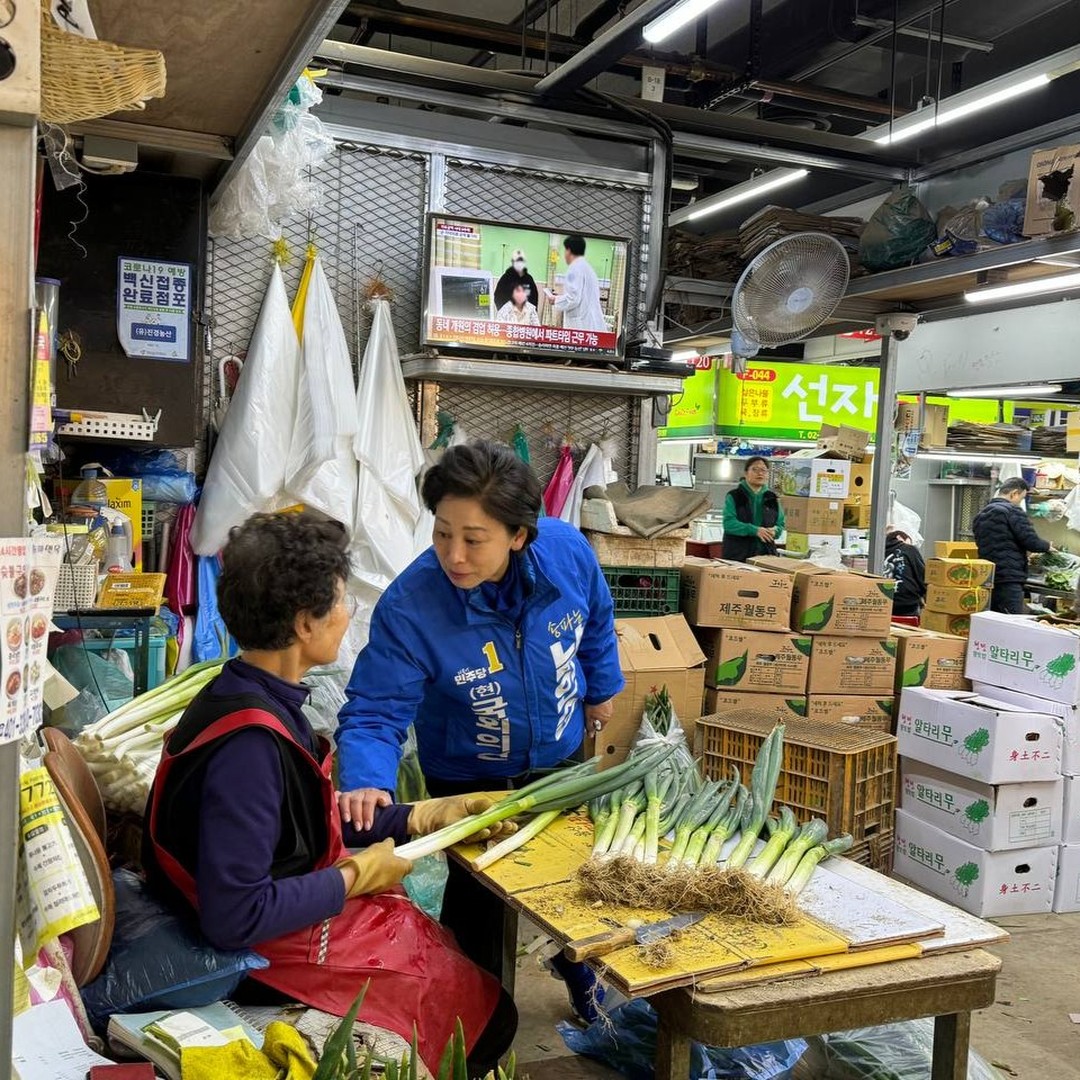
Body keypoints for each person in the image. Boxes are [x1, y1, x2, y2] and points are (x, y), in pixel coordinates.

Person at [143, 512, 518, 1074]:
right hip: (257, 955)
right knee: (485, 1014)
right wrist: (354, 876)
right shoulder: (249, 746)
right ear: (304, 624)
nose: (348, 614)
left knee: (465, 976)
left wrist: (422, 817)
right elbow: (235, 916)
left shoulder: (252, 692)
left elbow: (296, 824)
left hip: (283, 920)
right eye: (341, 601)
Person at [335, 440, 624, 1022]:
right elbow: (375, 708)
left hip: (558, 758)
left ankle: (578, 969)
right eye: (442, 533)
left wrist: (602, 684)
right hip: (466, 777)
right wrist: (367, 778)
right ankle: (475, 1020)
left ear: (518, 535)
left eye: (473, 539)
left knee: (568, 884)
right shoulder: (413, 606)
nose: (453, 554)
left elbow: (596, 619)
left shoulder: (567, 553)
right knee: (480, 906)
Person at [972, 477, 1051, 614]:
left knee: (990, 618)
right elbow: (1032, 542)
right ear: (1014, 493)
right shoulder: (1012, 511)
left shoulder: (981, 514)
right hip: (1009, 577)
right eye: (1021, 498)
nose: (1020, 502)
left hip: (987, 576)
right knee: (1010, 619)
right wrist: (1047, 546)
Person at [722, 456, 786, 561]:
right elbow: (728, 523)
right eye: (755, 469)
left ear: (768, 474)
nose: (760, 473)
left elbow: (780, 524)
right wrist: (755, 530)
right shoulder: (734, 496)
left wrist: (775, 531)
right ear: (746, 473)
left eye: (763, 470)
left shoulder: (772, 498)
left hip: (766, 556)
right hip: (737, 555)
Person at [544, 234, 608, 332]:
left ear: (569, 251)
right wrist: (560, 297)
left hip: (582, 326)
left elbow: (573, 298)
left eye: (565, 250)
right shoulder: (588, 269)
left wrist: (555, 300)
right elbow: (579, 296)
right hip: (591, 324)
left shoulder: (574, 269)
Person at [883, 528, 926, 617]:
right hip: (907, 604)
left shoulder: (878, 552)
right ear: (899, 537)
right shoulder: (909, 549)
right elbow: (923, 577)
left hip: (883, 603)